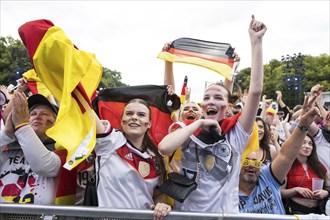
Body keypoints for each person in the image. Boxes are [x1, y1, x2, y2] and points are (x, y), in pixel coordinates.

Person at [158, 15, 267, 213]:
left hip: (225, 216)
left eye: (218, 98)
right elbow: (164, 147)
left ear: (228, 106)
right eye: (206, 98)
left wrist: (256, 41)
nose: (211, 101)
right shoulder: (187, 130)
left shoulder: (236, 133)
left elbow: (255, 92)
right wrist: (199, 124)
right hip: (188, 216)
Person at [239, 95, 322, 214]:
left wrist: (304, 124)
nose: (252, 165)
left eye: (256, 161)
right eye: (246, 161)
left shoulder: (267, 177)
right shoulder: (229, 193)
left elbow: (286, 155)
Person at [94, 98, 171, 220]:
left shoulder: (155, 157)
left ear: (148, 124)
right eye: (129, 113)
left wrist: (161, 204)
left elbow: (157, 193)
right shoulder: (110, 141)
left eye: (141, 115)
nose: (134, 117)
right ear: (122, 121)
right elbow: (85, 110)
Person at [0, 92, 75, 204]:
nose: (37, 116)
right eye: (32, 114)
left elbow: (43, 166)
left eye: (44, 114)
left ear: (56, 124)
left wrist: (22, 126)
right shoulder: (8, 148)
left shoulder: (65, 150)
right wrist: (6, 133)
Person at [281, 133, 330, 215]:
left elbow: (328, 187)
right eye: (303, 142)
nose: (307, 146)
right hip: (296, 210)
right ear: (296, 144)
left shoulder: (319, 166)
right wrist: (296, 190)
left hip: (318, 211)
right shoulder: (288, 166)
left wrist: (325, 193)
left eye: (310, 144)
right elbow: (281, 193)